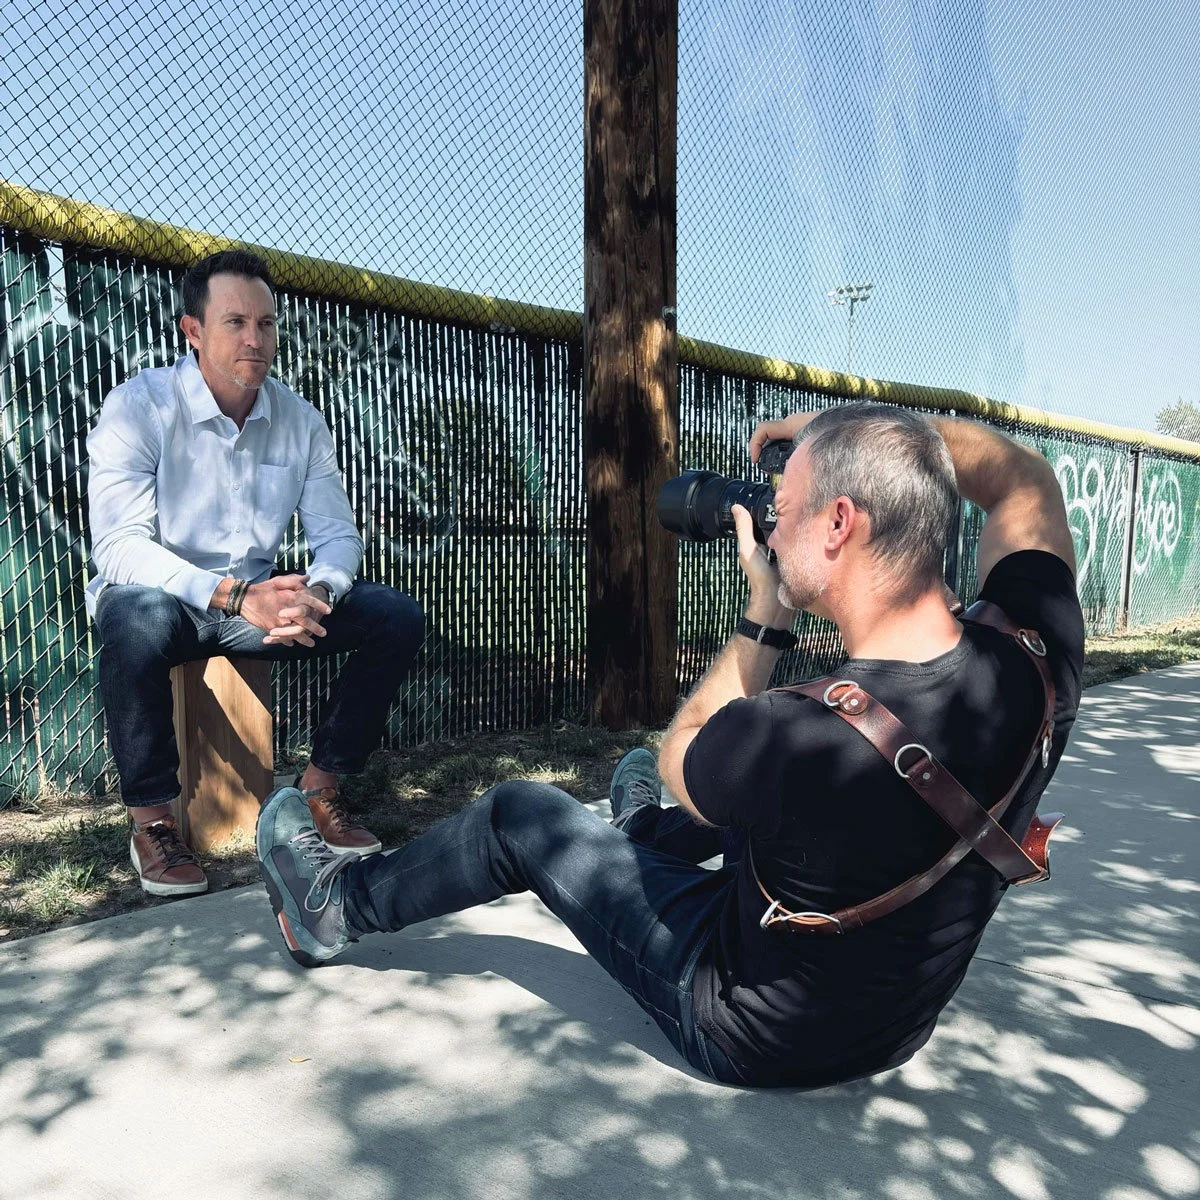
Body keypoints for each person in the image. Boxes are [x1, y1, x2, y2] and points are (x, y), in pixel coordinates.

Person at [255, 402, 1083, 1088]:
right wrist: (863, 436)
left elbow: (685, 754)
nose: (768, 523)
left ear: (839, 523)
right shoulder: (1035, 654)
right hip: (896, 1026)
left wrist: (766, 616)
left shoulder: (791, 733)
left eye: (782, 506)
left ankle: (333, 906)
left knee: (522, 814)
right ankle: (642, 829)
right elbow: (1024, 478)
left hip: (749, 1029)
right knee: (757, 810)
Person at [87, 249, 424, 899]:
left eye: (266, 324)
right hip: (167, 603)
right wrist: (235, 595)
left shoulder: (299, 420)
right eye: (235, 322)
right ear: (193, 332)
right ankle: (152, 824)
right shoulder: (140, 406)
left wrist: (316, 594)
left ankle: (319, 790)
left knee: (394, 616)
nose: (254, 339)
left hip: (256, 609)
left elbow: (337, 537)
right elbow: (119, 547)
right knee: (133, 615)